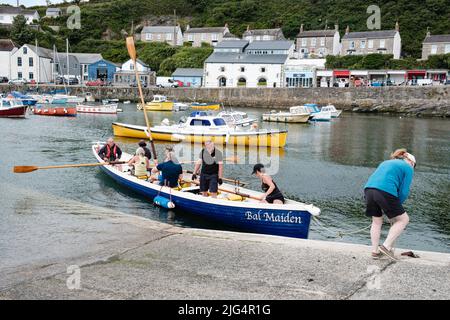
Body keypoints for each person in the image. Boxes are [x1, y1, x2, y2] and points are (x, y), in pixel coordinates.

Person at [364, 149, 416, 261]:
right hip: (385, 191)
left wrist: (390, 207)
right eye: (414, 166)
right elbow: (403, 191)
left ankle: (375, 251)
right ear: (411, 162)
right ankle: (386, 247)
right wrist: (397, 206)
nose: (413, 168)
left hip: (369, 190)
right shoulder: (408, 168)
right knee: (404, 219)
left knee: (376, 221)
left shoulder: (386, 162)